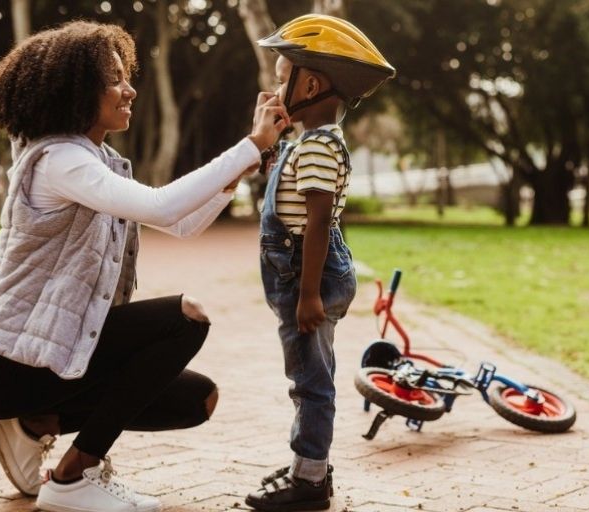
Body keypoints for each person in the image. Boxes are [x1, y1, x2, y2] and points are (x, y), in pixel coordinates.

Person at [0, 21, 288, 512]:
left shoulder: (97, 161)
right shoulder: (59, 160)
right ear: (77, 89)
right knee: (184, 317)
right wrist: (249, 146)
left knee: (195, 400)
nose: (129, 88)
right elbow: (163, 207)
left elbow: (183, 223)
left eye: (126, 75)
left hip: (43, 357)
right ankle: (71, 477)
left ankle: (33, 422)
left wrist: (240, 167)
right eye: (115, 78)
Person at [243, 14, 395, 512]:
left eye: (281, 74)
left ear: (309, 83)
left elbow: (316, 223)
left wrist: (308, 293)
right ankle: (308, 467)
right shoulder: (306, 142)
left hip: (307, 278)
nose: (274, 84)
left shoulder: (319, 146)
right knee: (311, 376)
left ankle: (308, 482)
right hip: (302, 276)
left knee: (311, 383)